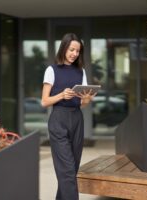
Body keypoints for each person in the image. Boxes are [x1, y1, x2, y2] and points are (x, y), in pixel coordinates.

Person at [41, 33, 96, 200]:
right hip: (58, 119)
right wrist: (61, 96)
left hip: (77, 119)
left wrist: (86, 99)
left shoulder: (81, 72)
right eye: (71, 49)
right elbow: (44, 101)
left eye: (77, 51)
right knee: (67, 171)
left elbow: (81, 103)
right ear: (64, 48)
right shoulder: (52, 70)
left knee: (71, 170)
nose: (74, 54)